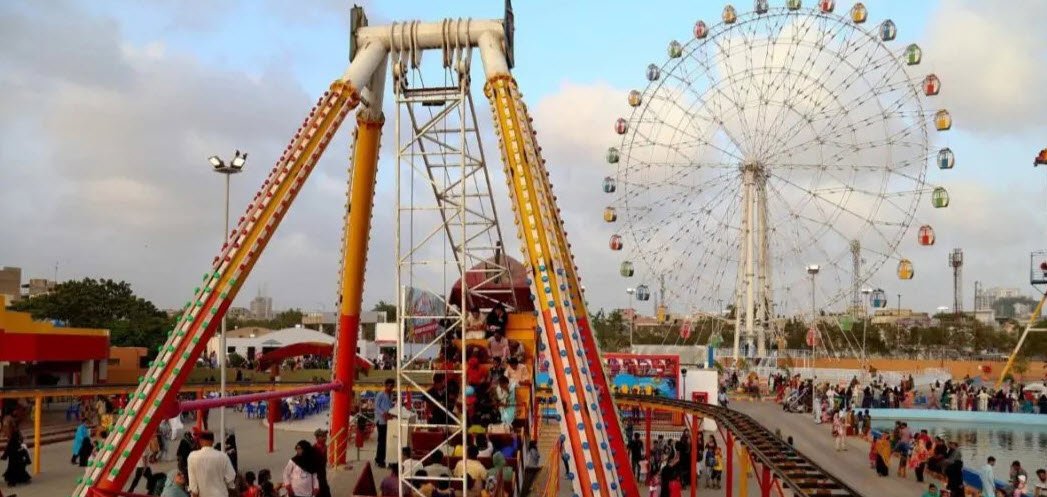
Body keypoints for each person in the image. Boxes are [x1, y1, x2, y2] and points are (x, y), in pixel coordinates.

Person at [186, 431, 235, 497]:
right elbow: (231, 477)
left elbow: (193, 487)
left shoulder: (192, 457)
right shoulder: (223, 456)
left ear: (200, 441)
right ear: (213, 441)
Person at [374, 379, 394, 468]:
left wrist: (391, 413)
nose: (391, 388)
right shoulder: (380, 394)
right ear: (385, 386)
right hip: (381, 421)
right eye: (389, 386)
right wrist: (383, 413)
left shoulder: (391, 396)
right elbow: (376, 406)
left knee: (387, 441)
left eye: (392, 386)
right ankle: (379, 460)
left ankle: (385, 459)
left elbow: (389, 407)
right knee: (381, 441)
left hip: (388, 421)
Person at [312, 429, 331, 497]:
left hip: (322, 472)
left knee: (324, 487)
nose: (325, 438)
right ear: (317, 438)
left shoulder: (324, 446)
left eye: (325, 436)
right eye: (322, 436)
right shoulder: (314, 448)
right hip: (316, 474)